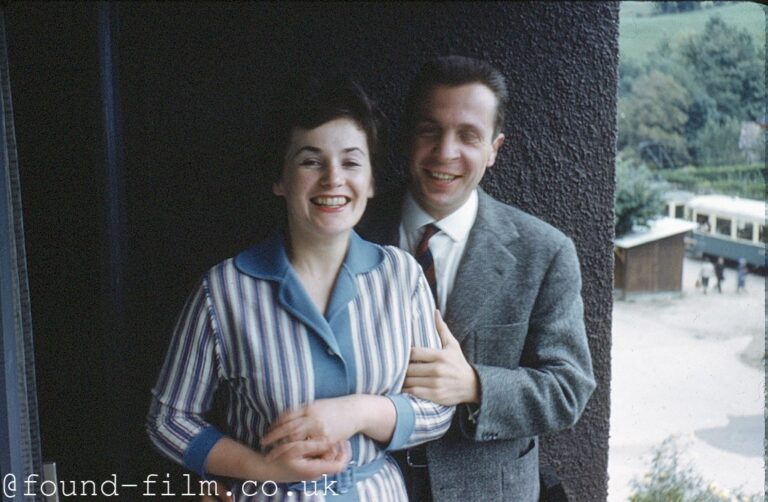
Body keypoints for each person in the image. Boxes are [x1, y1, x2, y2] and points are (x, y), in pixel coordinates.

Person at [147, 77, 454, 501]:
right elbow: (168, 419)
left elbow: (438, 409)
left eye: (351, 162)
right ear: (280, 179)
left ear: (371, 182)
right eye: (311, 161)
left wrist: (361, 411)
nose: (333, 179)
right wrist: (261, 467)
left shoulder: (402, 278)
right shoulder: (224, 291)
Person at [358, 56, 596, 501]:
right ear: (409, 137)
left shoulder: (544, 251)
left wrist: (474, 385)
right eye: (430, 130)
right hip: (364, 486)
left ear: (493, 149)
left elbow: (569, 388)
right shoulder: (351, 232)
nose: (445, 151)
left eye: (468, 135)